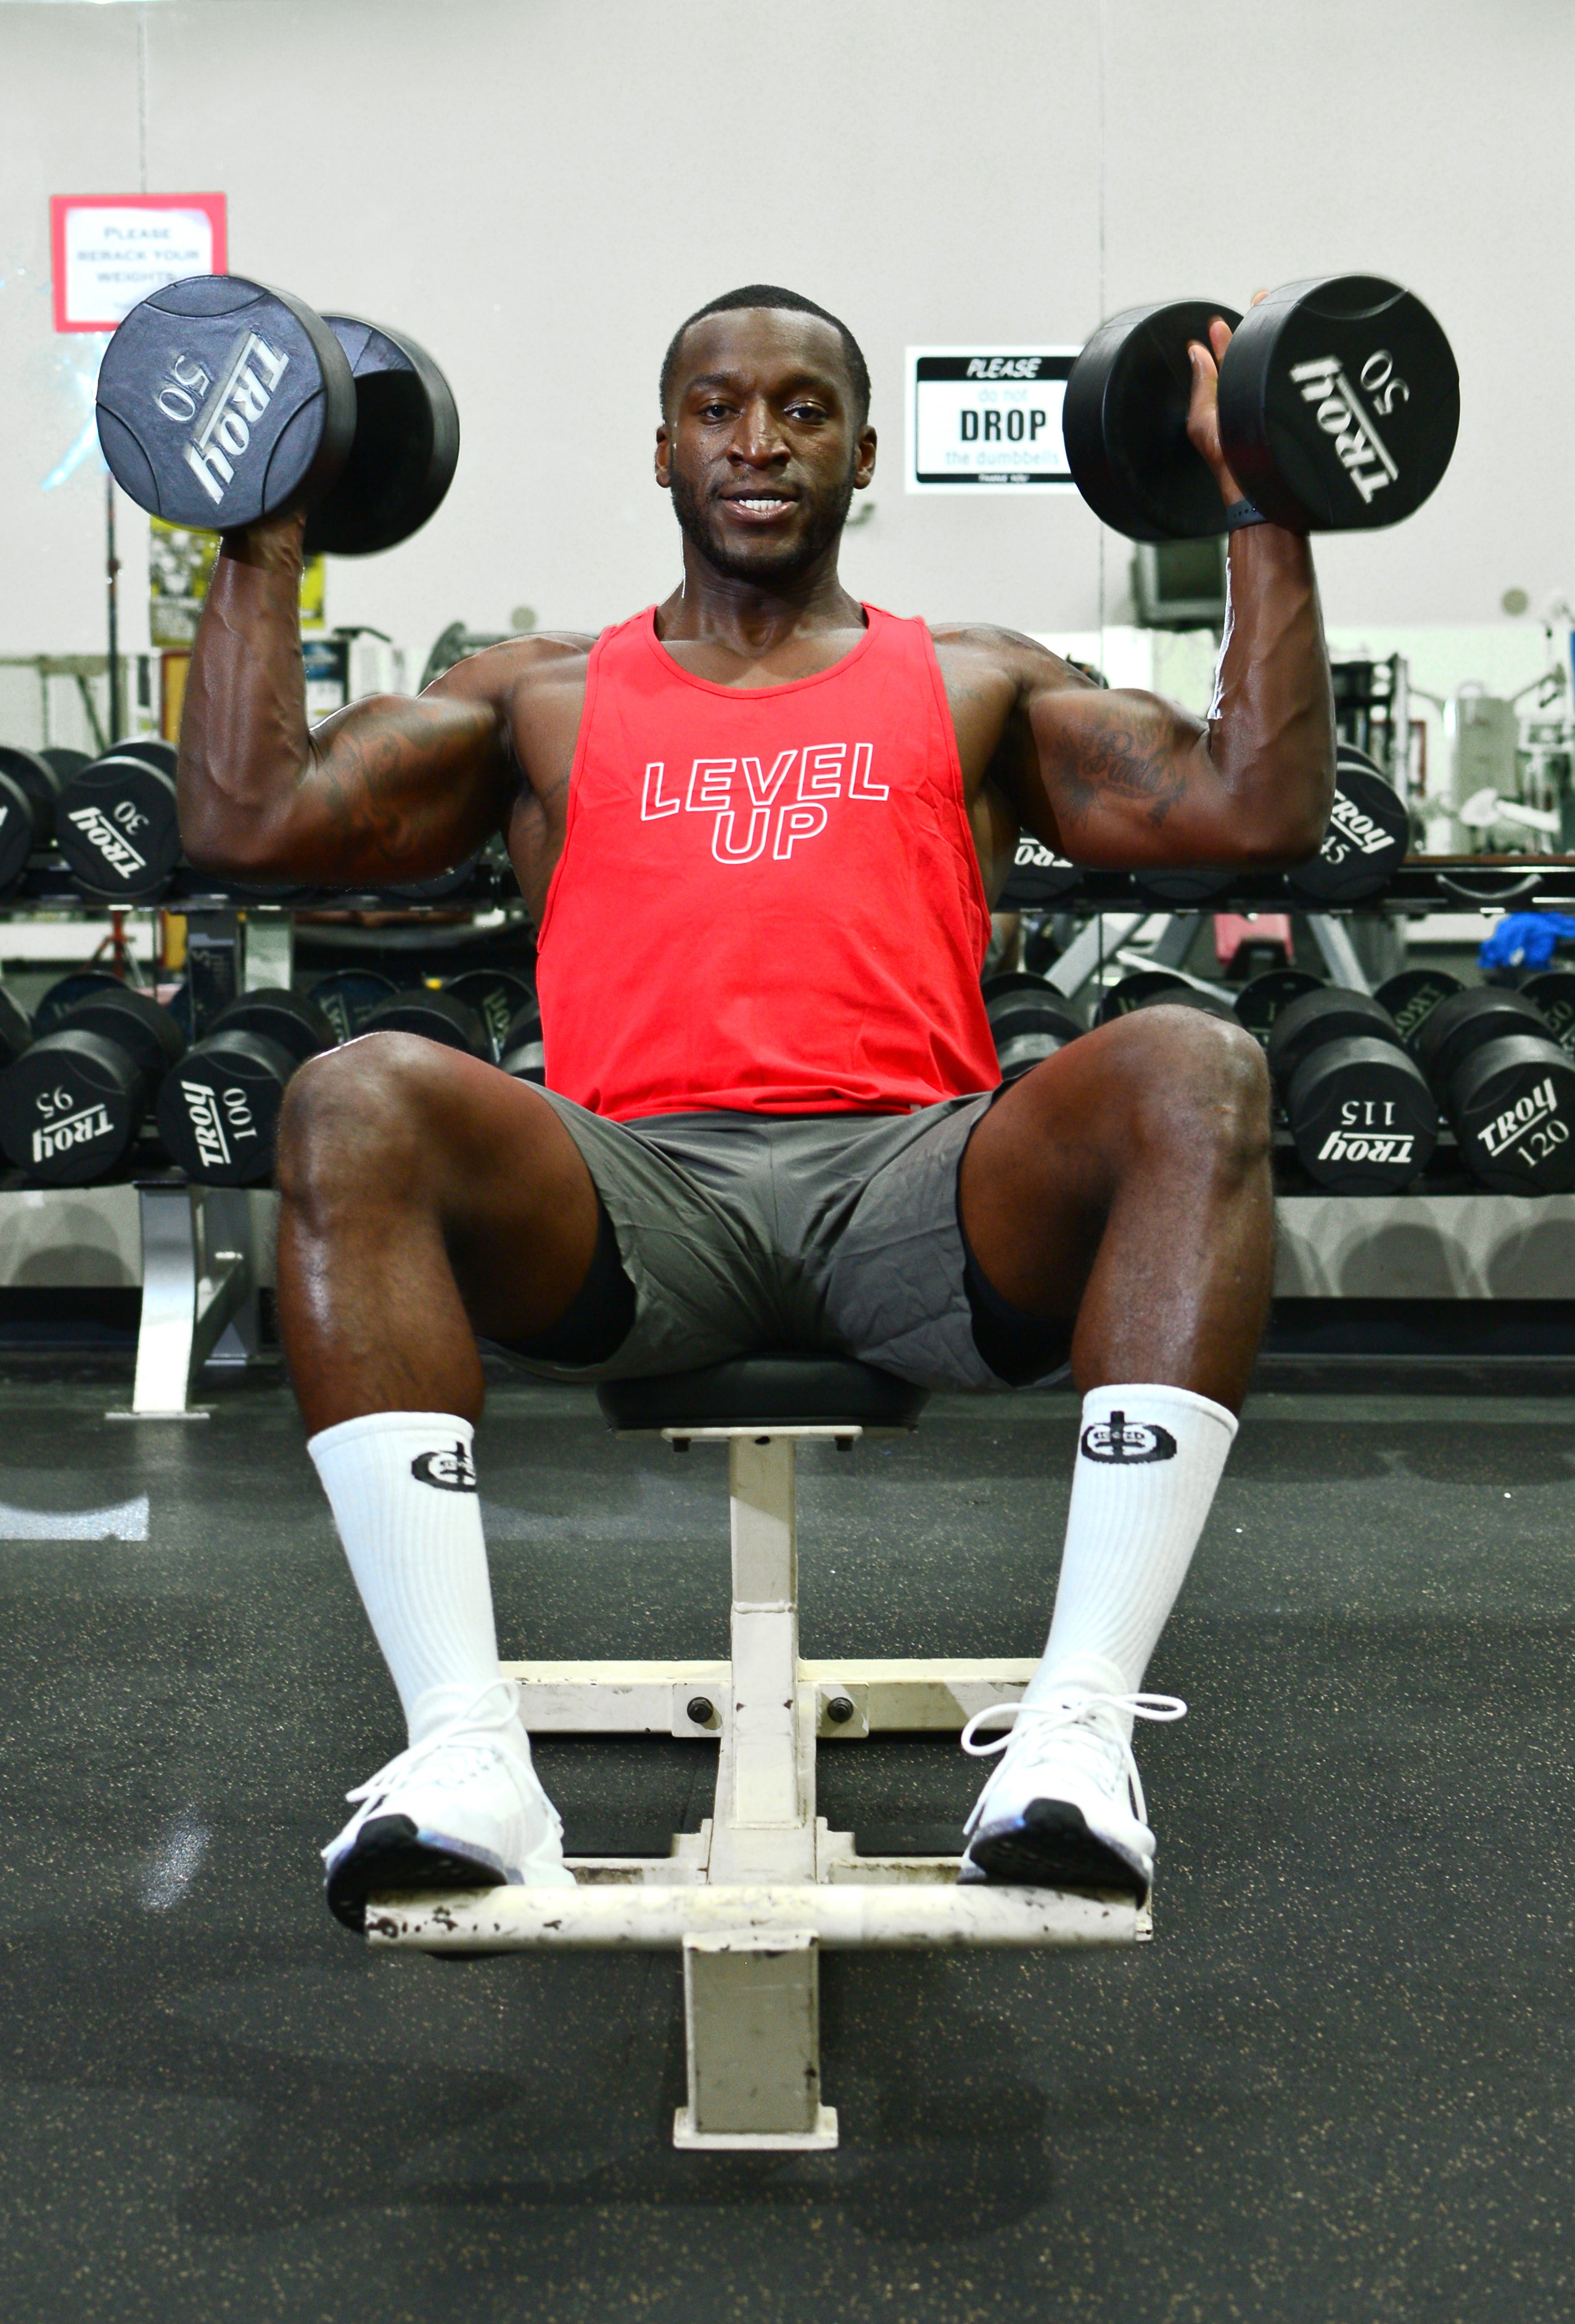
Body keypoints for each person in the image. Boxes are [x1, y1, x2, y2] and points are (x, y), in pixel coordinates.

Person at [178, 283, 1334, 1931]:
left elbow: (1247, 806)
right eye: (718, 407)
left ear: (865, 453)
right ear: (662, 447)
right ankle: (464, 1752)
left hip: (919, 1187)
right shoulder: (545, 695)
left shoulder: (974, 682)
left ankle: (1071, 1738)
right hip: (630, 1193)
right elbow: (245, 823)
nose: (758, 439)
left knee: (1196, 1066)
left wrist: (1261, 498)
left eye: (801, 408)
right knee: (348, 1094)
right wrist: (264, 520)